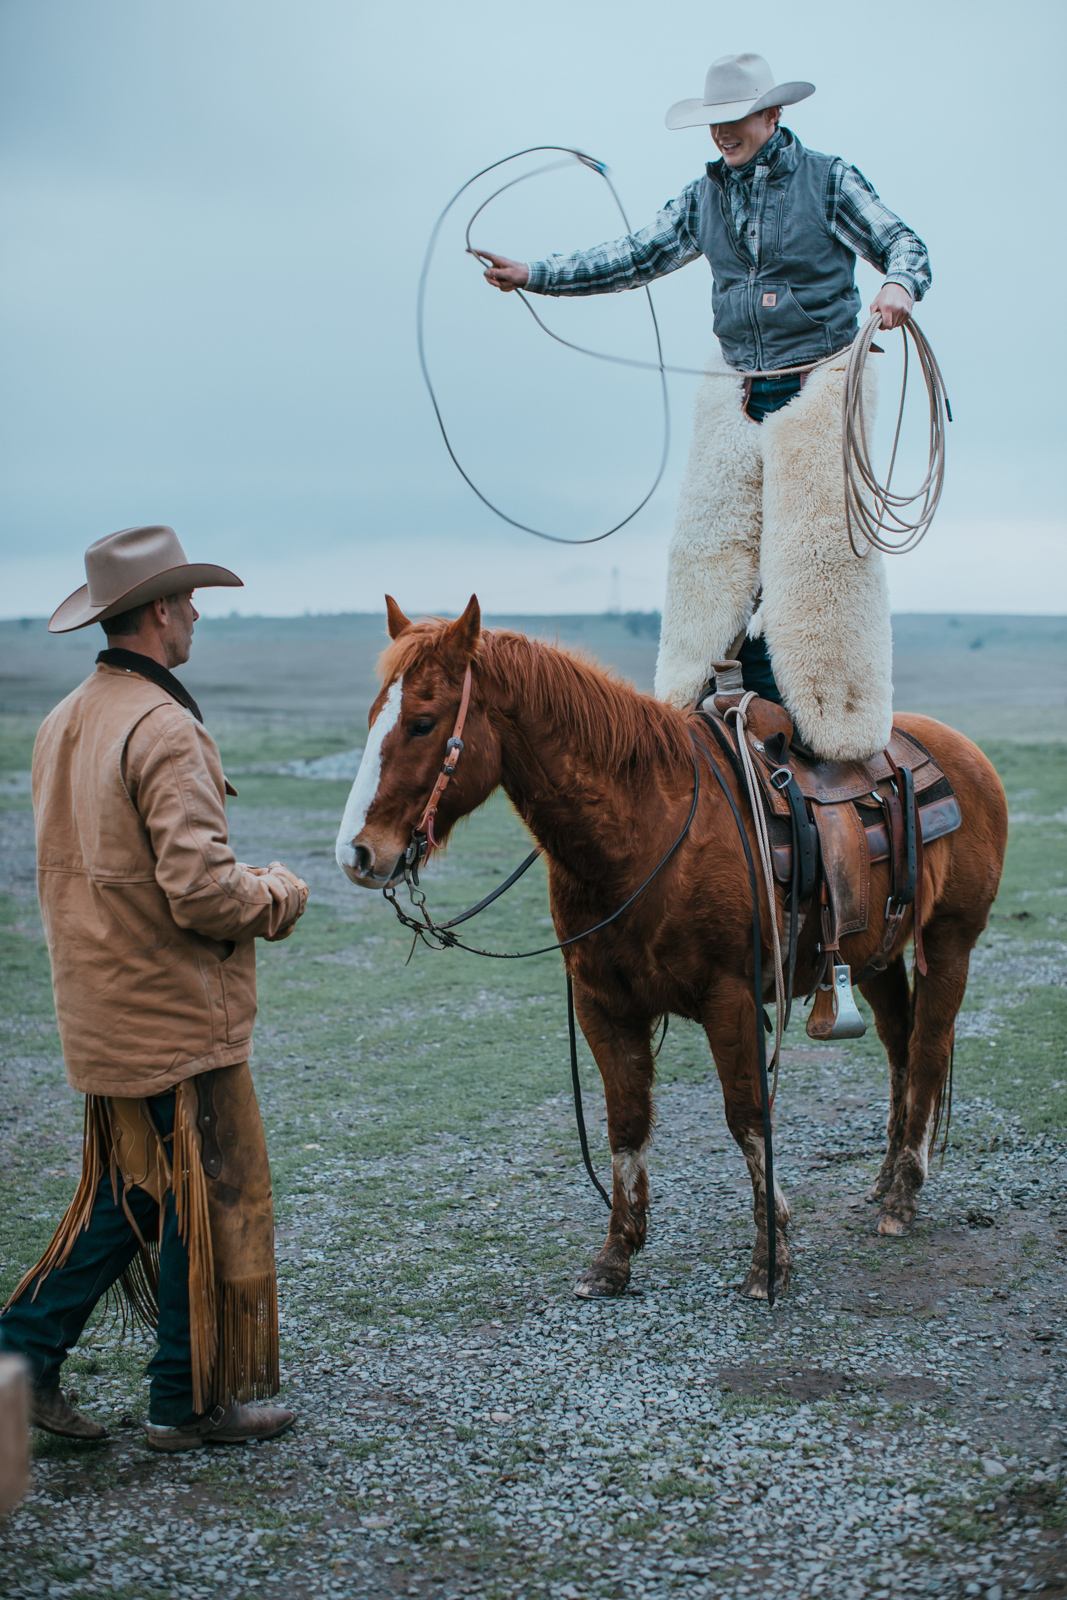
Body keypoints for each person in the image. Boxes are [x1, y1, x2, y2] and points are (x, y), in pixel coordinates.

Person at [479, 53, 931, 761]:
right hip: (738, 390)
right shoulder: (702, 198)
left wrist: (899, 284)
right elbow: (634, 256)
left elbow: (901, 242)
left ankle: (825, 713)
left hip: (819, 389)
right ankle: (719, 703)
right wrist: (535, 275)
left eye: (734, 120)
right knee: (713, 550)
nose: (722, 133)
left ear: (771, 116)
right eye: (713, 122)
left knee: (815, 557)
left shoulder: (829, 179)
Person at [0, 525, 309, 1452]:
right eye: (188, 600)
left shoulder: (67, 717)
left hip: (104, 1010)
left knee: (135, 1200)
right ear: (161, 610)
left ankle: (22, 1365)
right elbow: (202, 892)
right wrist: (276, 895)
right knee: (201, 1201)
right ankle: (183, 1405)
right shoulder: (165, 726)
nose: (197, 615)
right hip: (177, 1017)